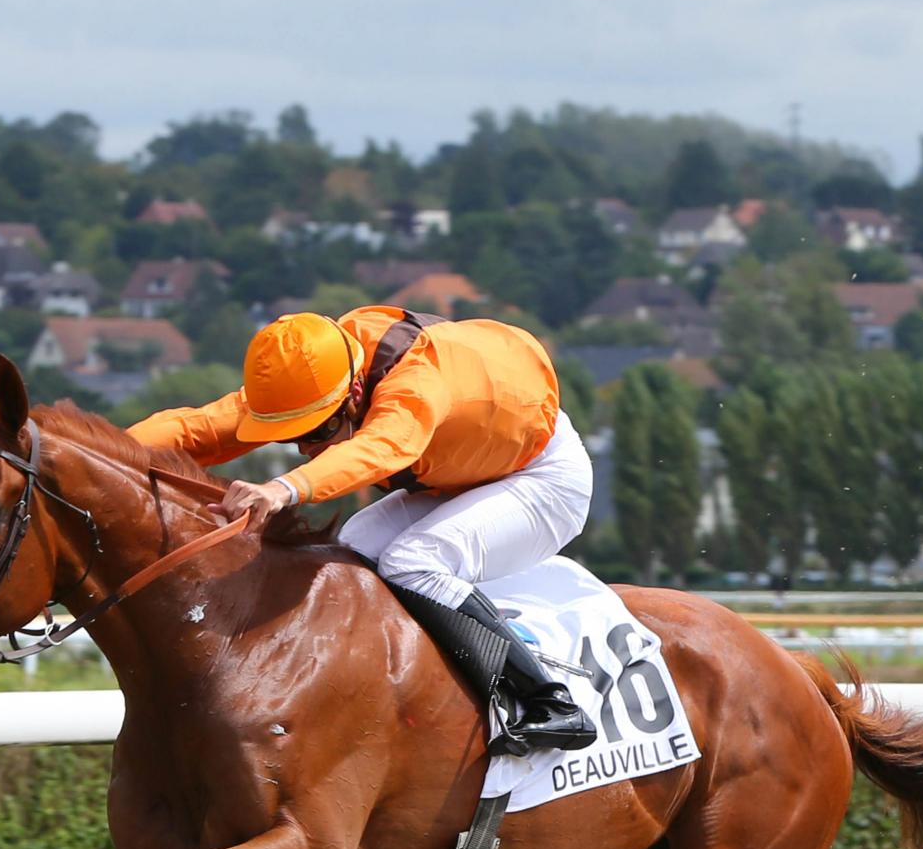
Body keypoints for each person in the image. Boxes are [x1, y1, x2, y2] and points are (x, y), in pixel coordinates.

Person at [130, 305, 597, 753]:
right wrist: (79, 446)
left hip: (543, 478)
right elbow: (200, 428)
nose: (304, 450)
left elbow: (380, 446)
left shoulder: (415, 381)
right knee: (348, 557)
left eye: (314, 433)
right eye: (293, 436)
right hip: (467, 471)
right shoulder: (317, 377)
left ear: (353, 396)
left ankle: (549, 700)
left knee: (412, 562)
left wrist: (284, 488)